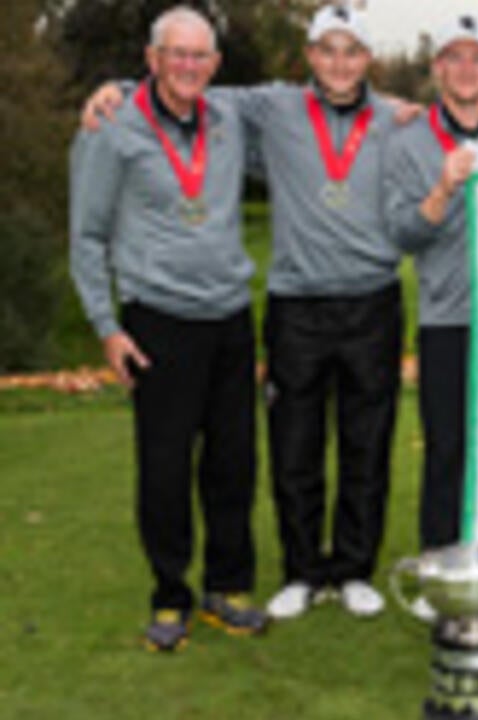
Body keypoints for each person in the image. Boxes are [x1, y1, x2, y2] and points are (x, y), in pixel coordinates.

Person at [80, 4, 407, 621]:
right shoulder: (268, 106)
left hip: (358, 300)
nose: (339, 63)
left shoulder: (392, 117)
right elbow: (177, 84)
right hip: (282, 304)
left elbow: (459, 125)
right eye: (327, 50)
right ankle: (299, 571)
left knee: (356, 445)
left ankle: (351, 568)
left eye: (352, 51)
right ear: (309, 57)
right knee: (291, 447)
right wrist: (119, 88)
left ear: (368, 60)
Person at [69, 6, 267, 652]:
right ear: (151, 59)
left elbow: (316, 98)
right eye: (175, 54)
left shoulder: (230, 116)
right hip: (158, 321)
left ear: (215, 64)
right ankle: (169, 594)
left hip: (231, 317)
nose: (188, 66)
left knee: (234, 463)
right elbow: (87, 236)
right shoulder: (111, 126)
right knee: (164, 468)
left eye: (200, 55)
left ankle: (227, 587)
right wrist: (106, 326)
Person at [382, 15, 478, 617]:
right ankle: (439, 570)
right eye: (455, 57)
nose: (467, 68)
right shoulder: (409, 140)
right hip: (449, 318)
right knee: (447, 450)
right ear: (437, 68)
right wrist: (443, 190)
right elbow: (401, 233)